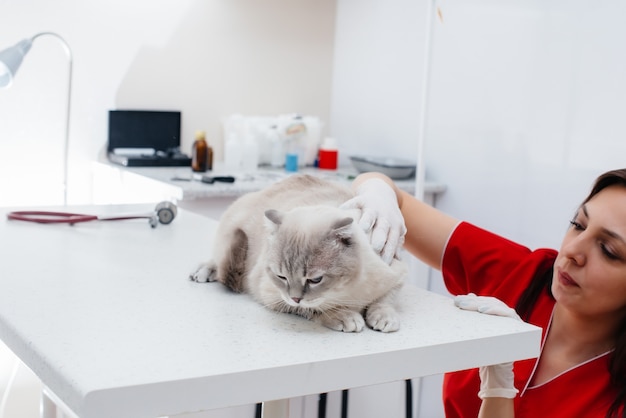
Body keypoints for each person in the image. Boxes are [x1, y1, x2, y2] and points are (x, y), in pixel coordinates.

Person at [341, 169, 626, 418]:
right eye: (578, 224)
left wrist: (498, 388)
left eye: (609, 251)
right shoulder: (524, 274)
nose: (573, 251)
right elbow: (389, 194)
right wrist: (378, 194)